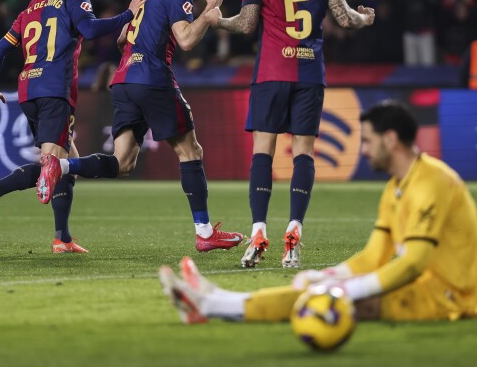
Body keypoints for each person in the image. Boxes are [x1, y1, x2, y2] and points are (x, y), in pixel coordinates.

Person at [160, 100, 477, 323]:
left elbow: (413, 263)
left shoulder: (432, 183)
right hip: (429, 286)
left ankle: (213, 304)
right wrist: (329, 276)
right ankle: (214, 301)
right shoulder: (397, 187)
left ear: (391, 139)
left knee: (323, 300)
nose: (364, 150)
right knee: (319, 292)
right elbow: (374, 256)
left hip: (453, 295)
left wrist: (345, 289)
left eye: (368, 141)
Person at [37, 0, 244, 252]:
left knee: (123, 163)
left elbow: (122, 37)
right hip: (153, 78)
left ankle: (61, 167)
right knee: (191, 151)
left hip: (124, 80)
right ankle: (204, 234)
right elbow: (187, 40)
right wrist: (209, 10)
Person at [205, 0, 375, 268]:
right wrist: (365, 18)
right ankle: (294, 230)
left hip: (272, 72)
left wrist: (217, 22)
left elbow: (247, 24)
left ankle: (258, 232)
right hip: (309, 74)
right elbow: (344, 18)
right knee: (304, 154)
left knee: (263, 152)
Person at [0, 0, 147, 252]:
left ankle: (62, 238)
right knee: (53, 165)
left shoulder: (31, 7)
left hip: (28, 91)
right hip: (54, 90)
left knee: (67, 165)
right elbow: (91, 30)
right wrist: (129, 14)